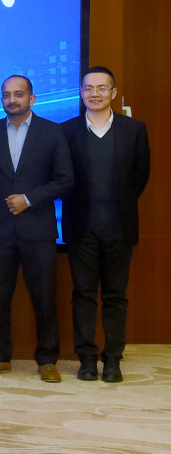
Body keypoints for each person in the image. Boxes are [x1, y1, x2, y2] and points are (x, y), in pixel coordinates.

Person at [0, 75, 73, 383]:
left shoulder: (52, 131)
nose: (12, 99)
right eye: (6, 95)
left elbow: (65, 179)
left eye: (18, 94)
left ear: (32, 98)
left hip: (38, 230)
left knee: (44, 298)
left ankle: (47, 360)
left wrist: (29, 199)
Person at [61, 67, 150, 382]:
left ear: (113, 93)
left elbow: (140, 176)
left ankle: (113, 359)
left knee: (115, 296)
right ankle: (86, 359)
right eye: (88, 88)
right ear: (81, 93)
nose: (94, 93)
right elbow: (61, 177)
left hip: (119, 227)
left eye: (101, 88)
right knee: (83, 295)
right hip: (80, 228)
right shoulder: (66, 130)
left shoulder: (134, 129)